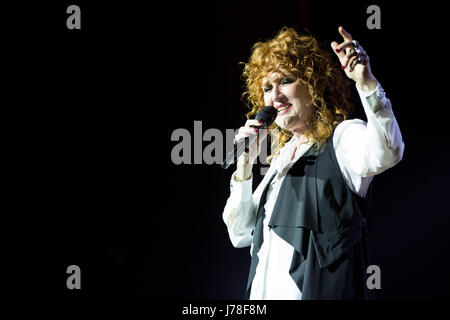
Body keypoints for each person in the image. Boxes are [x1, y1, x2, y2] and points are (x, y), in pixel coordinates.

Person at [222, 26, 404, 300]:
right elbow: (240, 233)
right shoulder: (280, 165)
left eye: (285, 81)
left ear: (313, 84)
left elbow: (388, 151)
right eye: (267, 87)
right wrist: (244, 168)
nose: (275, 96)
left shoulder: (341, 139)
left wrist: (366, 84)